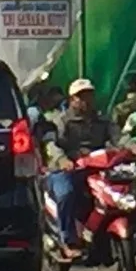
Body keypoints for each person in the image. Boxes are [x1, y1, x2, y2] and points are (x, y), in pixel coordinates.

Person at [45, 79, 118, 251]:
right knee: (66, 193)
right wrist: (62, 160)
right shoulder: (61, 121)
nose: (86, 100)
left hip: (96, 168)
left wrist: (133, 147)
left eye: (89, 95)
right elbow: (51, 145)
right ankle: (67, 239)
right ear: (72, 100)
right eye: (81, 96)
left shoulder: (102, 120)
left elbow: (119, 137)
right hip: (66, 169)